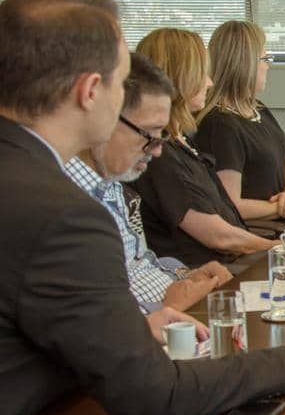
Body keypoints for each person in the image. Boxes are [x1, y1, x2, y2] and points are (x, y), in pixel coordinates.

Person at [0, 0, 285, 415]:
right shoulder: (63, 214)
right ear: (91, 90)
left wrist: (128, 327)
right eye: (121, 76)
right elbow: (152, 395)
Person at [67, 51, 234, 312]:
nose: (157, 150)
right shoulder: (66, 203)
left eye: (163, 135)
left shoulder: (111, 184)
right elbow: (90, 318)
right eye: (151, 135)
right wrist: (165, 308)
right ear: (105, 117)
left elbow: (139, 262)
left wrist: (185, 275)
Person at [132, 28, 277, 266]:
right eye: (202, 74)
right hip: (212, 276)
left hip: (233, 262)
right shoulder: (159, 155)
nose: (210, 83)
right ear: (179, 78)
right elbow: (218, 237)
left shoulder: (181, 141)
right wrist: (284, 248)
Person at [195, 21, 285, 222]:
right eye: (264, 58)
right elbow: (231, 205)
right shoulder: (221, 125)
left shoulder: (258, 109)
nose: (268, 65)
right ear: (244, 64)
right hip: (263, 230)